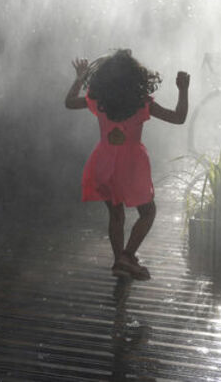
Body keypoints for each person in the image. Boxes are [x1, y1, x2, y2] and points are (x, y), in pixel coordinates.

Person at [65, 50, 189, 280]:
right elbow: (178, 117)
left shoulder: (98, 100)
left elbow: (70, 102)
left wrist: (80, 77)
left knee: (116, 215)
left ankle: (120, 261)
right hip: (131, 166)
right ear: (136, 77)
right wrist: (183, 89)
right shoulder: (142, 103)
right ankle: (127, 255)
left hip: (103, 163)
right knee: (148, 211)